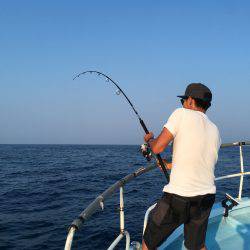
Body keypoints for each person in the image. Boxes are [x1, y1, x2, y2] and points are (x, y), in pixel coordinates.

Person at [142, 83, 221, 250]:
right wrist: (168, 165)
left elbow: (157, 148)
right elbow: (199, 161)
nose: (183, 104)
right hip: (206, 197)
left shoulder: (181, 114)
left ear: (191, 101)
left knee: (148, 243)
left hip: (179, 198)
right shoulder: (215, 129)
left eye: (183, 100)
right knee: (197, 246)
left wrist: (149, 139)